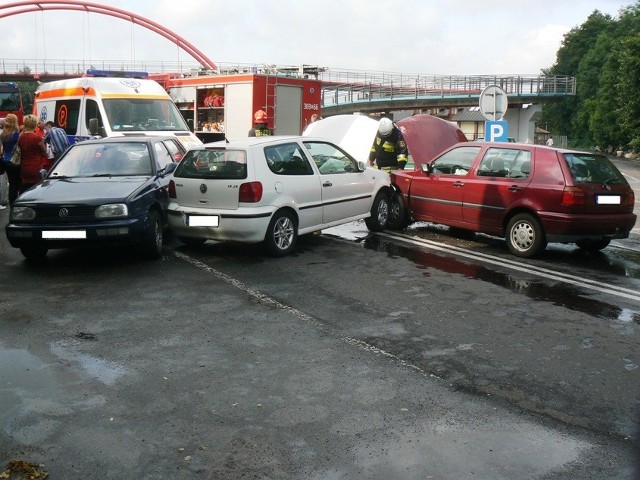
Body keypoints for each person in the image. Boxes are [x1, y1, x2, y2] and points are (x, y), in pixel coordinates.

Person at [16, 114, 48, 194]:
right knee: (35, 188)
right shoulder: (37, 138)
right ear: (34, 124)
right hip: (35, 165)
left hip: (23, 165)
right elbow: (45, 153)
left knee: (24, 188)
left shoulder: (21, 136)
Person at [1, 113, 21, 206]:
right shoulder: (17, 134)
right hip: (15, 160)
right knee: (16, 183)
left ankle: (12, 202)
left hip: (5, 159)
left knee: (11, 183)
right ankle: (17, 203)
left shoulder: (3, 133)